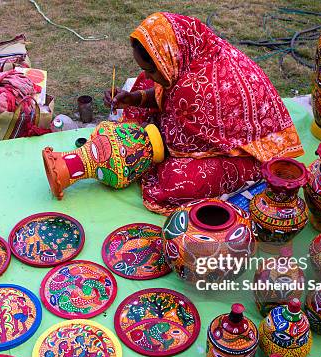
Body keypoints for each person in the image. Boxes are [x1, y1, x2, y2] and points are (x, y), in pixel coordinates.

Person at [104, 12, 304, 215]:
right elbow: (162, 92)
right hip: (207, 113)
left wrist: (142, 144)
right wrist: (133, 98)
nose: (148, 74)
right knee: (146, 81)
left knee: (176, 181)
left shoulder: (192, 89)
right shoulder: (193, 49)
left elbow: (175, 147)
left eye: (151, 69)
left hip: (253, 154)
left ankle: (261, 172)